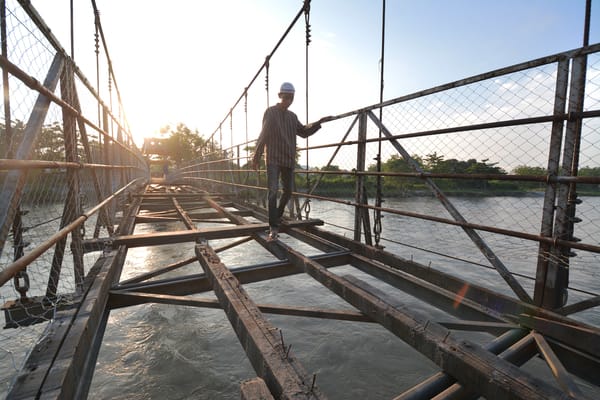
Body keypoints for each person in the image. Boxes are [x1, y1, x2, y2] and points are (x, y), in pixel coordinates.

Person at [252, 82, 322, 241]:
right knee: (273, 191)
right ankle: (273, 226)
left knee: (288, 191)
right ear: (280, 96)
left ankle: (276, 215)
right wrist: (256, 156)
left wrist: (319, 123)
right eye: (285, 96)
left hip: (288, 159)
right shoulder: (270, 112)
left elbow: (303, 132)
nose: (288, 100)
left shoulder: (293, 116)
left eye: (290, 97)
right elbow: (263, 135)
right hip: (273, 159)